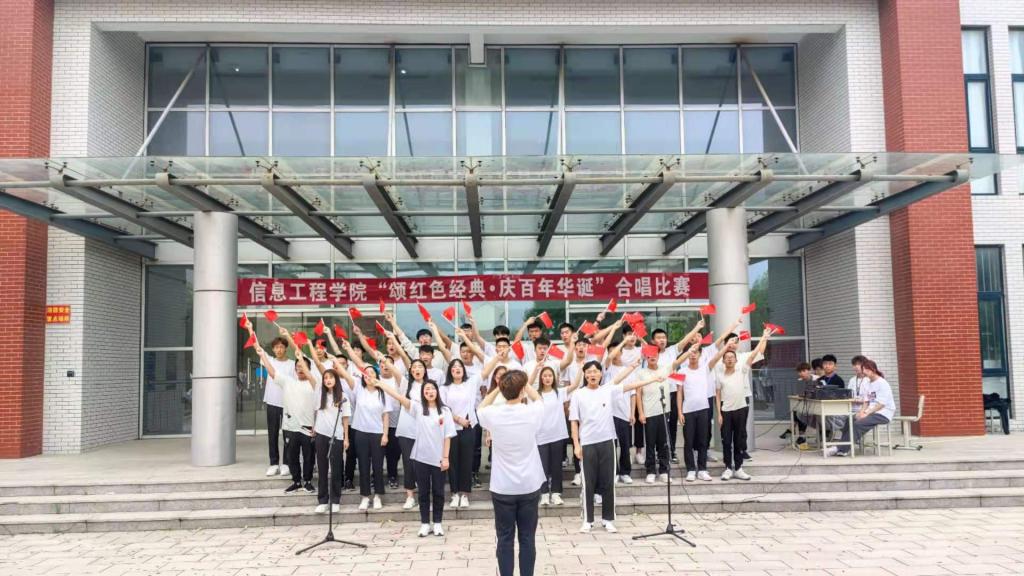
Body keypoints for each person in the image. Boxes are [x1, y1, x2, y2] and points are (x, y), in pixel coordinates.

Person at [569, 359, 664, 533]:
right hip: (587, 443)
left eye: (595, 371)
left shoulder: (607, 390)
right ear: (584, 375)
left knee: (608, 482)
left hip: (607, 441)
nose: (592, 374)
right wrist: (576, 445)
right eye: (589, 372)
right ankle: (588, 520)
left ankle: (608, 519)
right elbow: (574, 421)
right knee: (588, 483)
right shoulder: (578, 394)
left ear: (601, 374)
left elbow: (628, 383)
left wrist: (648, 377)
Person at [478, 370, 545, 576]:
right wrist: (524, 386)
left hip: (503, 486)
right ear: (522, 390)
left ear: (502, 390)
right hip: (529, 484)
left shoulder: (493, 414)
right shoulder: (531, 412)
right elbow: (539, 399)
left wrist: (499, 387)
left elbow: (481, 407)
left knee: (505, 538)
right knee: (527, 538)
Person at [379, 378, 456, 536]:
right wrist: (381, 384)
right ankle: (425, 523)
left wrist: (446, 457)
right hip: (420, 458)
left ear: (437, 391)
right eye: (426, 390)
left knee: (438, 492)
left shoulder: (445, 411)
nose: (430, 392)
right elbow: (399, 397)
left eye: (432, 389)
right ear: (422, 393)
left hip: (439, 459)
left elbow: (447, 436)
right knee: (423, 492)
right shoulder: (418, 408)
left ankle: (438, 523)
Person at [254, 326, 318, 494]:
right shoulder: (289, 382)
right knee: (293, 455)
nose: (300, 369)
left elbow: (300, 358)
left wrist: (291, 341)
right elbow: (272, 371)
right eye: (298, 367)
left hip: (307, 427)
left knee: (309, 456)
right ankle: (296, 481)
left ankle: (307, 481)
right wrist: (262, 355)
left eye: (303, 367)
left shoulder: (314, 384)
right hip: (291, 426)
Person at [710, 328, 772, 481]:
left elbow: (754, 355)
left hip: (741, 405)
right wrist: (719, 413)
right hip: (725, 408)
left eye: (732, 357)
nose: (730, 359)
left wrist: (764, 337)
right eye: (727, 357)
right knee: (726, 440)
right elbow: (717, 394)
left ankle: (738, 468)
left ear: (736, 359)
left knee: (739, 438)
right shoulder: (719, 369)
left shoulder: (742, 367)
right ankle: (727, 468)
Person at [344, 352, 392, 511]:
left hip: (378, 433)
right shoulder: (359, 389)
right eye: (366, 373)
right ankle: (365, 496)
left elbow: (386, 415)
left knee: (377, 466)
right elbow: (346, 374)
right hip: (360, 433)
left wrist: (385, 434)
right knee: (363, 465)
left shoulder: (383, 392)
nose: (368, 375)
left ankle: (378, 495)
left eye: (372, 372)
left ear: (377, 376)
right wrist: (337, 360)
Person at [827, 359, 894, 457]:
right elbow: (866, 401)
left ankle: (840, 448)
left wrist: (866, 413)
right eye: (864, 370)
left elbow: (881, 404)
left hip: (883, 413)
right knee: (850, 420)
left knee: (859, 423)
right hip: (871, 411)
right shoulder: (868, 383)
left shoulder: (882, 383)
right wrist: (861, 412)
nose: (865, 372)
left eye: (867, 370)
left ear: (873, 369)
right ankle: (844, 447)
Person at [636, 345, 678, 484]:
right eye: (649, 354)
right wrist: (641, 413)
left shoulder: (665, 369)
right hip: (649, 413)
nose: (652, 357)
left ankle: (664, 471)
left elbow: (678, 361)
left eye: (655, 354)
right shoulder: (641, 373)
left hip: (664, 411)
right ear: (646, 357)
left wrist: (689, 351)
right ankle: (651, 471)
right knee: (650, 443)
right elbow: (638, 393)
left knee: (663, 443)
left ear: (659, 355)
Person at [528, 364, 568, 506]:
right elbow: (526, 385)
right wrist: (536, 369)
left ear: (554, 378)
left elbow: (575, 385)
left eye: (550, 375)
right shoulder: (536, 394)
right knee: (542, 466)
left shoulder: (559, 393)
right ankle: (544, 494)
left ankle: (556, 493)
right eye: (544, 376)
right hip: (541, 436)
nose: (547, 378)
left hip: (557, 434)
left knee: (556, 466)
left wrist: (581, 368)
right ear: (541, 378)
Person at [440, 358, 477, 509]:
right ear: (450, 371)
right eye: (454, 366)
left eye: (459, 366)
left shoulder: (470, 384)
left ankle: (465, 494)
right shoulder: (444, 388)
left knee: (467, 461)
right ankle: (454, 493)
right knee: (453, 462)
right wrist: (458, 419)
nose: (457, 368)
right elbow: (443, 408)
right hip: (451, 429)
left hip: (468, 426)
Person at [605, 335, 639, 484]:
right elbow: (609, 357)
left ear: (622, 352)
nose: (615, 353)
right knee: (611, 446)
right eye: (611, 351)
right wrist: (624, 341)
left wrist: (632, 413)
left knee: (625, 445)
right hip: (609, 414)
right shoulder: (606, 369)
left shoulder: (628, 370)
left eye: (617, 350)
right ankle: (614, 472)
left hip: (624, 413)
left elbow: (633, 393)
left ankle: (625, 472)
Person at [678, 342, 712, 481]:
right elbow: (679, 393)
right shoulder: (681, 371)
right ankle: (691, 469)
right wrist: (680, 412)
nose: (693, 355)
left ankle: (702, 469)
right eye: (691, 352)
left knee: (703, 440)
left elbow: (717, 358)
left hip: (703, 409)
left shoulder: (705, 368)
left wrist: (727, 345)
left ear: (700, 354)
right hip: (688, 411)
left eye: (696, 352)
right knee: (689, 441)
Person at [262, 334, 295, 478]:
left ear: (286, 348)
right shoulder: (269, 361)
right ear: (273, 349)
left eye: (281, 347)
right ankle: (274, 463)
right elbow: (257, 346)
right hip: (272, 402)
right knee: (273, 433)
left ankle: (286, 463)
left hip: (288, 403)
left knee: (288, 434)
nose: (279, 350)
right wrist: (250, 328)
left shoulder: (292, 364)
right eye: (276, 347)